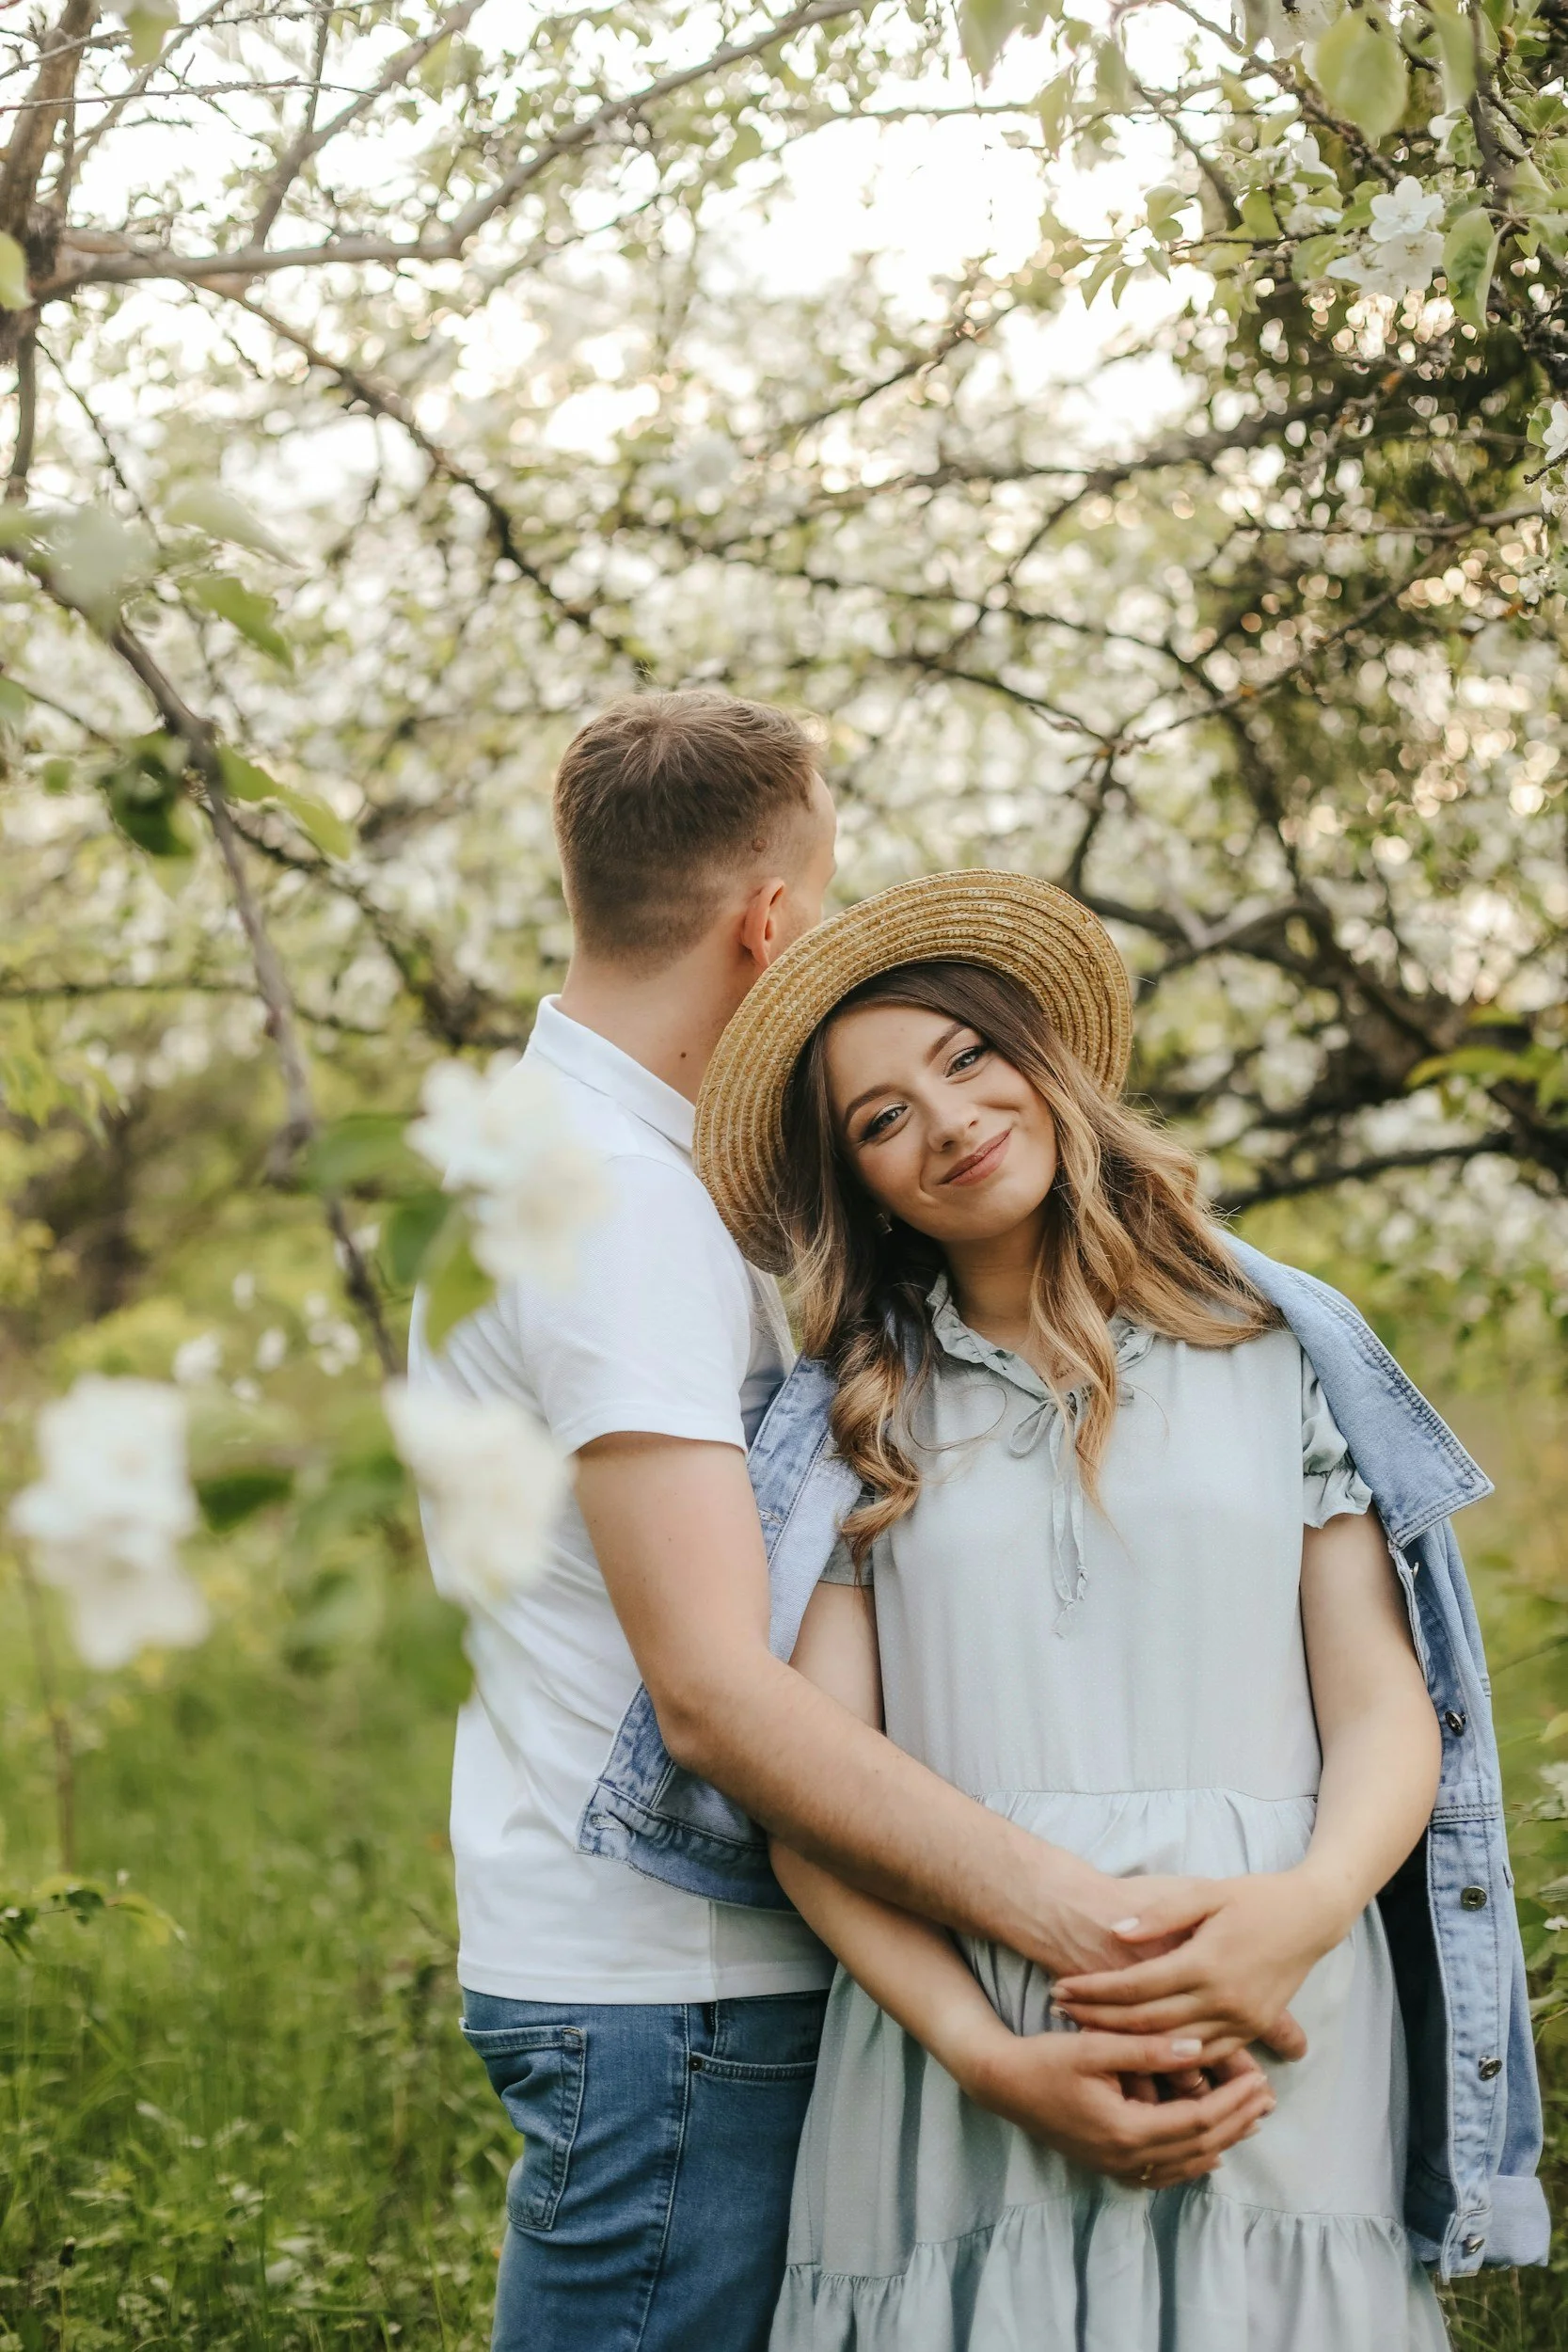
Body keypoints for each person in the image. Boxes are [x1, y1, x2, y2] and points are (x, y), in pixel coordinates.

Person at [406, 699, 1276, 2352]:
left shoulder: (538, 1159)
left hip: (646, 1973)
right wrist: (1093, 1932)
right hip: (680, 1989)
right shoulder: (615, 1206)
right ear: (771, 922)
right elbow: (715, 1692)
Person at [689, 870, 1547, 2348]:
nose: (949, 1122)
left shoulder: (1272, 1347)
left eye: (966, 1059)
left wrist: (1301, 1911)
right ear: (862, 1184)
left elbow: (1381, 1706)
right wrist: (979, 2049)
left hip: (1274, 2016)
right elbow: (810, 1806)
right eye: (881, 1118)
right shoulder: (861, 1419)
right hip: (965, 2052)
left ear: (1042, 1058)